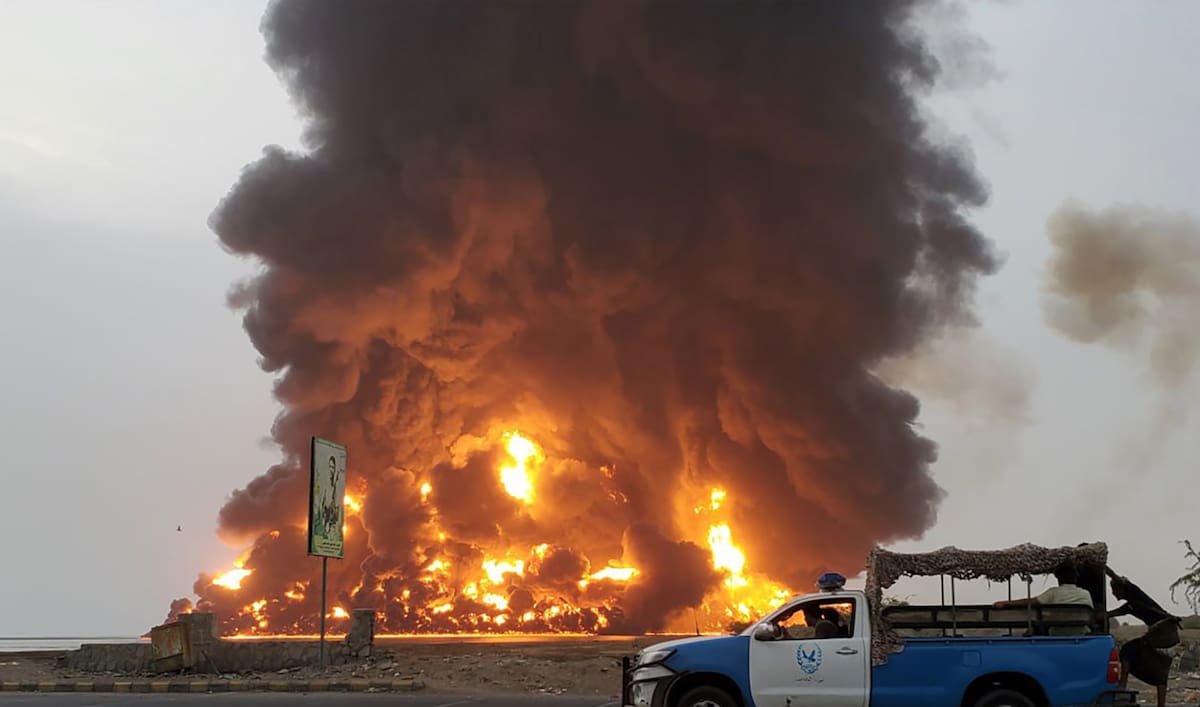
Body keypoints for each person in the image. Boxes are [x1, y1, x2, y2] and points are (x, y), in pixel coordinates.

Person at [1107, 570, 1181, 707]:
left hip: (1164, 631)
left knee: (1127, 650)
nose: (1112, 593)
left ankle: (1122, 685)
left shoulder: (1134, 593)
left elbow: (1119, 580)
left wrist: (1101, 565)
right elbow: (1110, 614)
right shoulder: (1130, 605)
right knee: (1160, 669)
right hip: (1162, 634)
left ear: (1120, 587)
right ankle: (1161, 704)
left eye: (1113, 589)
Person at [993, 561, 1094, 635]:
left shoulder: (1054, 592)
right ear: (1076, 578)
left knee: (1036, 626)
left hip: (1057, 633)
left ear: (1058, 579)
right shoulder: (1086, 594)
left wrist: (1007, 603)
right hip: (1081, 632)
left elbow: (1031, 602)